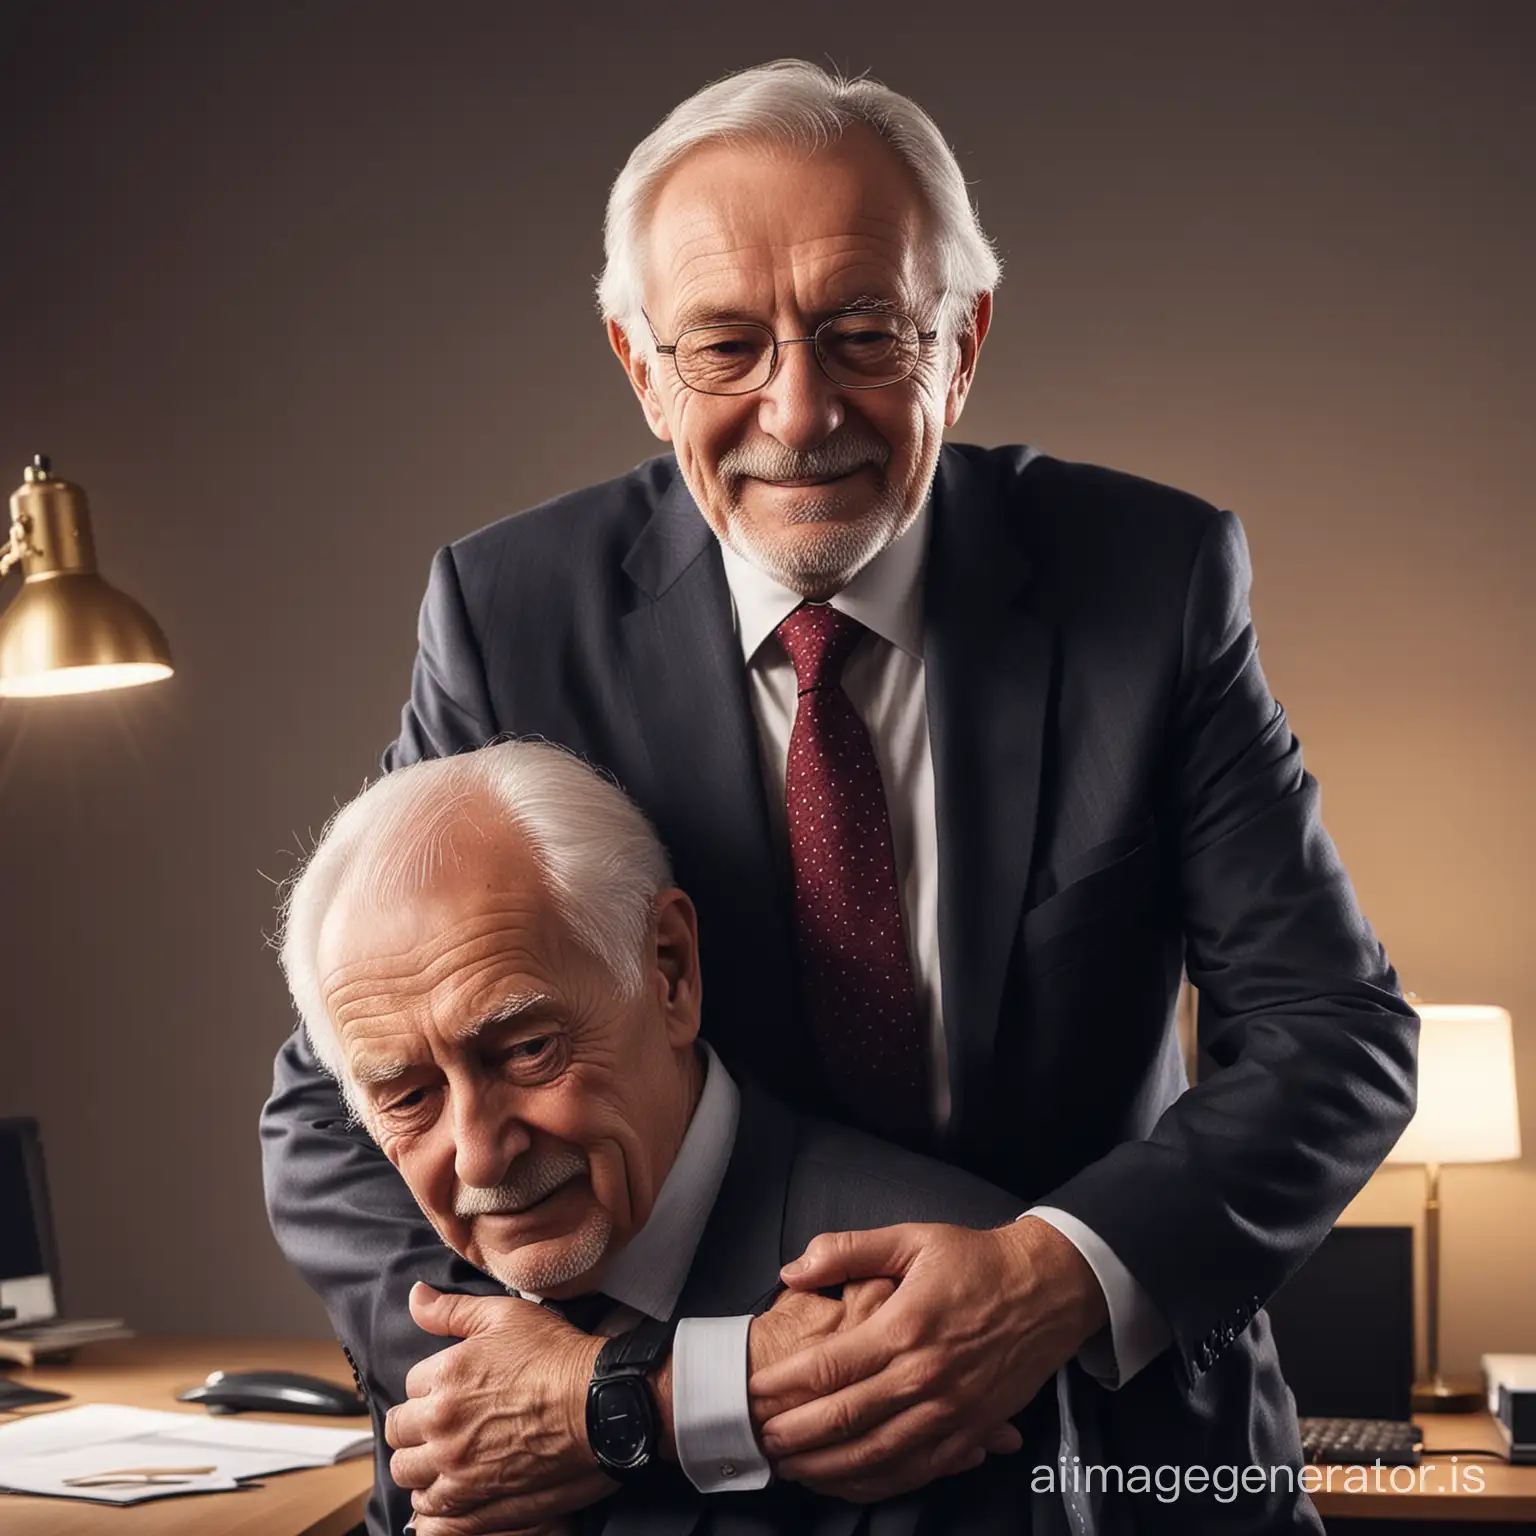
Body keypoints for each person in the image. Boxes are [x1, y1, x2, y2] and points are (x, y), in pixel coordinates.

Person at [261, 57, 1418, 1536]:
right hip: (702, 1476)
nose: (798, 414)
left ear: (964, 340)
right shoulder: (512, 616)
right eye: (725, 347)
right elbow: (334, 1100)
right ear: (638, 363)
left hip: (1134, 1449)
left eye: (863, 331)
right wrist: (626, 1393)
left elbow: (1337, 1034)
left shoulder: (1151, 582)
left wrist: (1054, 1275)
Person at [277, 738, 1317, 1535]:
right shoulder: (446, 1319)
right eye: (406, 1096)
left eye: (527, 1050)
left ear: (672, 973)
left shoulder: (941, 1321)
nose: (479, 1156)